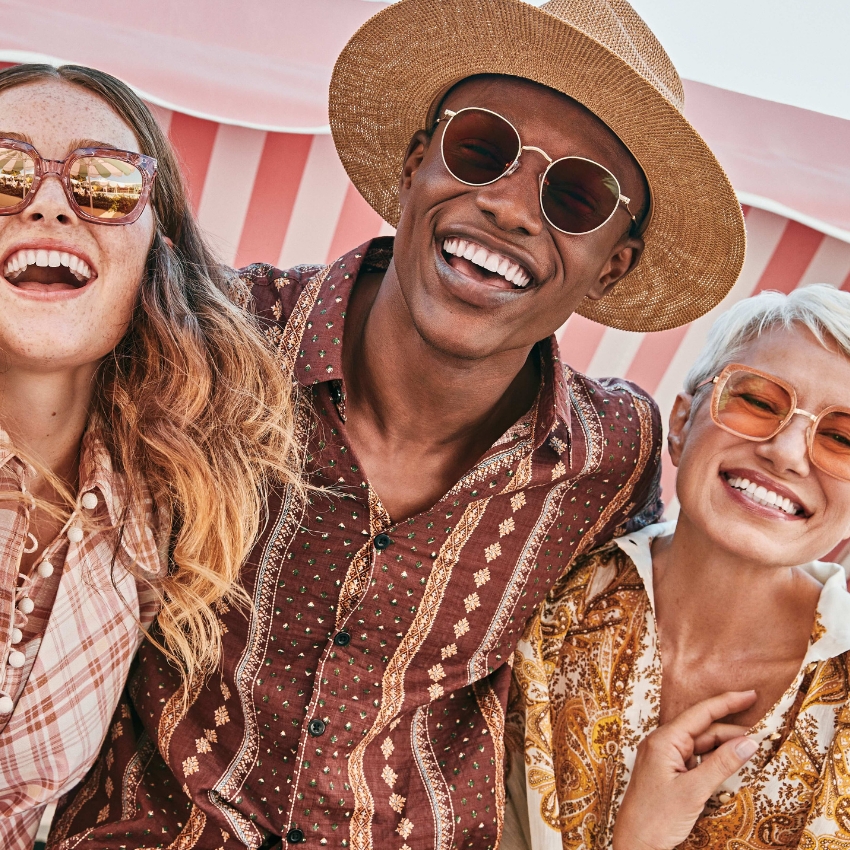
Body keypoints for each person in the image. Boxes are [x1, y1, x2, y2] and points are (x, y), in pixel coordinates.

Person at [49, 0, 745, 847]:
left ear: (613, 267)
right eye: (481, 149)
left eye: (578, 196)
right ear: (417, 163)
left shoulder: (614, 455)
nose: (514, 209)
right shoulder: (214, 337)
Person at [0, 63, 303, 849]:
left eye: (103, 184)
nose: (48, 201)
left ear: (156, 250)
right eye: (3, 170)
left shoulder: (164, 504)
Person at [505, 284, 850, 848]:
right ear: (683, 424)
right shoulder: (537, 594)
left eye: (841, 439)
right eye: (759, 401)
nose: (785, 453)